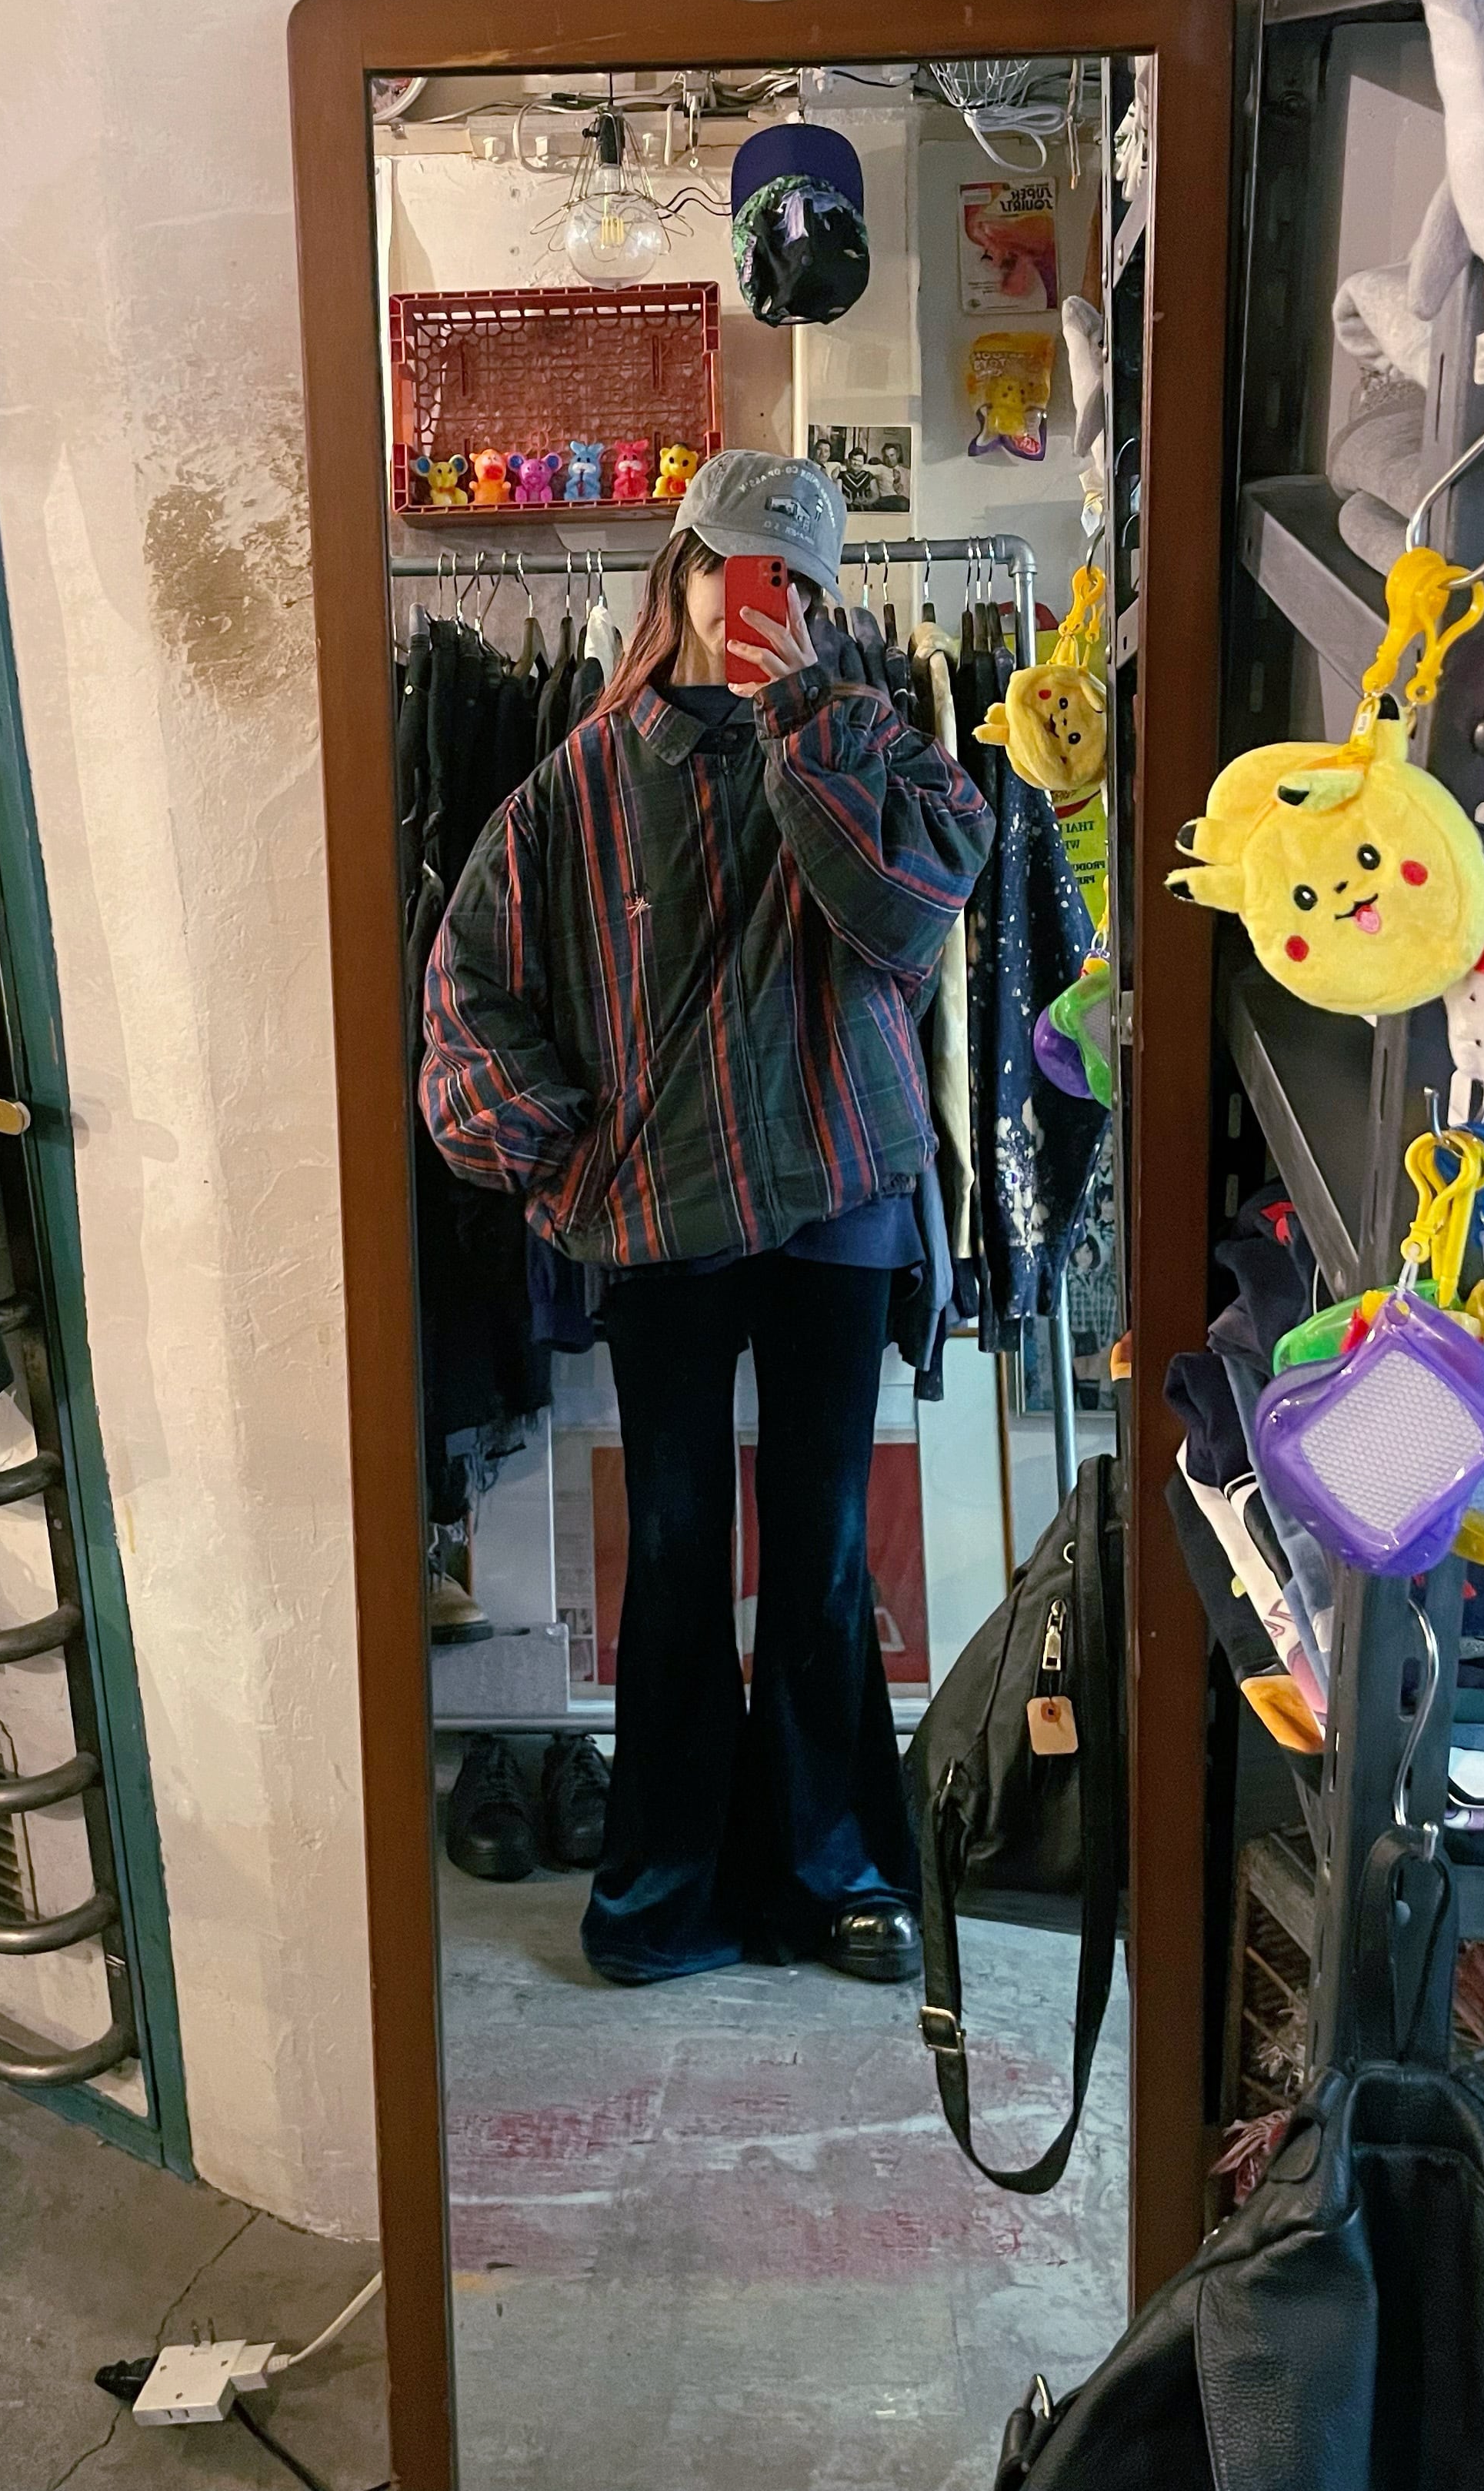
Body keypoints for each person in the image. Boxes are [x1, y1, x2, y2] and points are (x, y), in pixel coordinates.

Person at [421, 452, 994, 1988]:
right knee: (675, 1552)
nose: (763, 605)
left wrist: (805, 722)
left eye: (795, 584)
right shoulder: (576, 786)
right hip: (659, 1209)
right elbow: (468, 988)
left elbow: (910, 914)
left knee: (820, 1549)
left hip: (840, 1195)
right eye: (738, 572)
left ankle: (833, 1871)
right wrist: (555, 1146)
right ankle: (666, 1883)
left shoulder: (870, 741)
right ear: (676, 573)